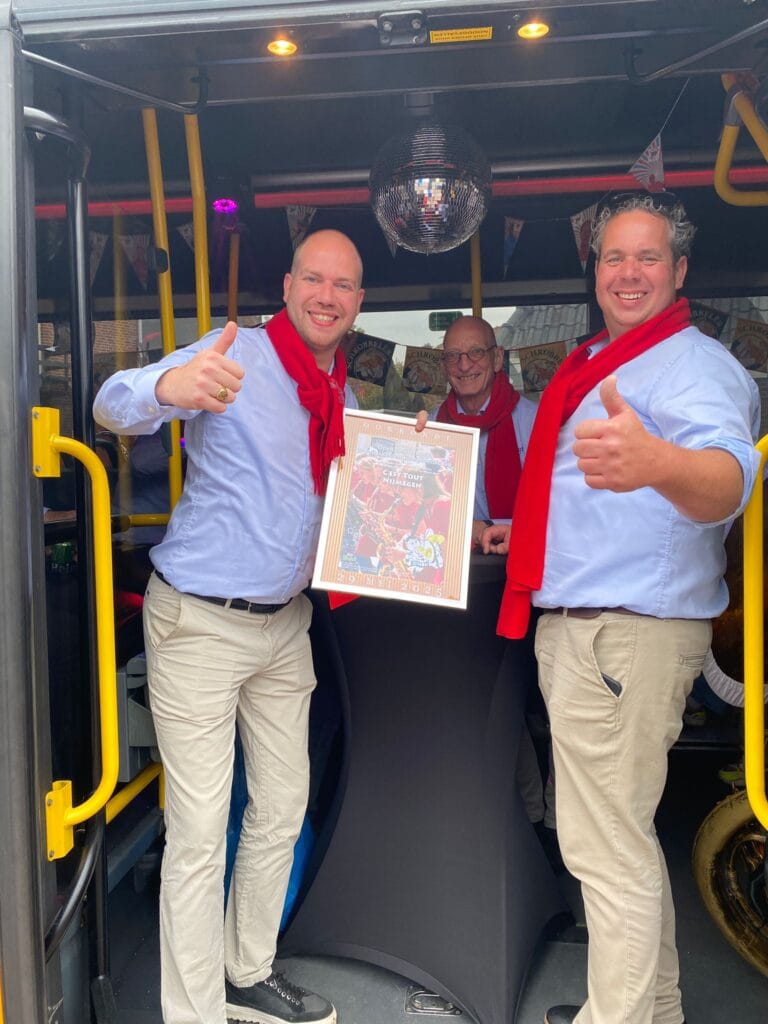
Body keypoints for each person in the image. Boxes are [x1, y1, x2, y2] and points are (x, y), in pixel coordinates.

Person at [486, 194, 760, 1024]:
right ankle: (652, 1009)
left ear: (679, 271)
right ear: (595, 270)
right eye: (613, 257)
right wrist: (526, 531)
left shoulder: (695, 365)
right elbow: (595, 498)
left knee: (605, 850)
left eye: (647, 257)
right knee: (618, 842)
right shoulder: (603, 360)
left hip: (624, 637)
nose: (628, 272)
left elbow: (729, 481)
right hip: (598, 633)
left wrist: (658, 461)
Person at [93, 229, 366, 1024]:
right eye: (313, 278)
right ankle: (193, 1013)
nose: (326, 295)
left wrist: (413, 467)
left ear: (357, 302)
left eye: (342, 284)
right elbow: (111, 401)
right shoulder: (232, 354)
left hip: (285, 625)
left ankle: (247, 970)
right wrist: (169, 385)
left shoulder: (345, 398)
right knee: (200, 831)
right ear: (287, 286)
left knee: (281, 807)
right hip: (201, 624)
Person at [430, 315, 537, 548]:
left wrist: (486, 528)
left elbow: (553, 511)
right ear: (444, 366)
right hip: (446, 555)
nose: (464, 365)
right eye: (453, 356)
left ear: (497, 358)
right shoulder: (431, 426)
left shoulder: (535, 423)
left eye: (476, 352)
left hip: (517, 556)